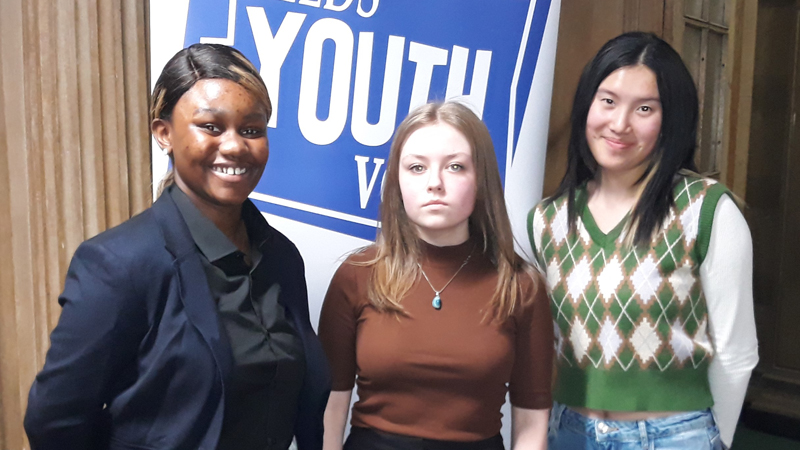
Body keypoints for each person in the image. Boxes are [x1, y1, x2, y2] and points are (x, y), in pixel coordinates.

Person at [24, 43, 330, 450]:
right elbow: (55, 422)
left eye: (252, 130)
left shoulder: (281, 257)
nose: (236, 145)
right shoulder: (119, 264)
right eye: (211, 127)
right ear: (163, 134)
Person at [527, 32, 758, 450]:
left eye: (645, 108)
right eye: (608, 101)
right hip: (569, 433)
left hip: (675, 437)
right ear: (587, 105)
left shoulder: (707, 210)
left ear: (672, 119)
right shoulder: (548, 220)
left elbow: (737, 352)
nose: (619, 124)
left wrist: (712, 440)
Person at [318, 101, 553, 450]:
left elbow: (532, 424)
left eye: (455, 167)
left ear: (481, 179)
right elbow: (330, 408)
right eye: (416, 167)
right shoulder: (356, 276)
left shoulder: (521, 286)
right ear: (396, 180)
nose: (435, 183)